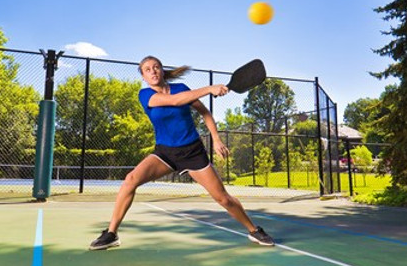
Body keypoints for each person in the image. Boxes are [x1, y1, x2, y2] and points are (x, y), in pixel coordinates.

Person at [89, 56, 275, 250]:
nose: (152, 71)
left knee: (223, 198)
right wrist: (209, 88)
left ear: (162, 71)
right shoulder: (145, 95)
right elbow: (175, 101)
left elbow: (205, 113)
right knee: (130, 180)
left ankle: (254, 230)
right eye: (147, 69)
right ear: (143, 76)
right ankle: (111, 234)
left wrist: (216, 139)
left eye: (156, 67)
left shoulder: (182, 89)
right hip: (165, 154)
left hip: (192, 152)